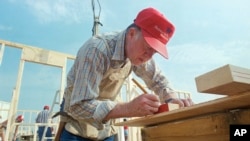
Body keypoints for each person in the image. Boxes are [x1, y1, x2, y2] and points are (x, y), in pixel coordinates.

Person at [59, 7, 194, 141]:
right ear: (131, 34)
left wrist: (171, 99)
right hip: (77, 132)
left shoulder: (138, 52)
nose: (148, 57)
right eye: (148, 48)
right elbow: (78, 106)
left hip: (105, 131)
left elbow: (158, 80)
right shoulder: (96, 50)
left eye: (154, 52)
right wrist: (128, 108)